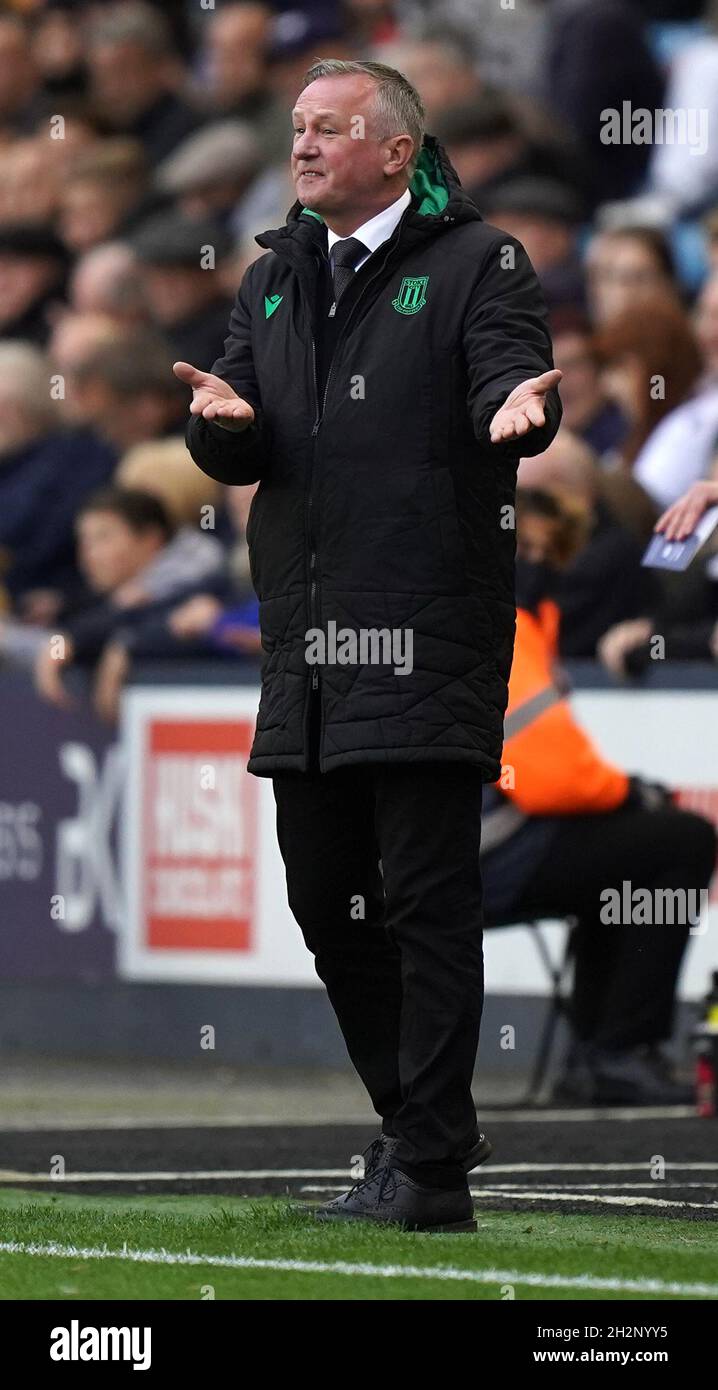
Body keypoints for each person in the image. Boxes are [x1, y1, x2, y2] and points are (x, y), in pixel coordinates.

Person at [181, 57, 562, 1233]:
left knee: (425, 902)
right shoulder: (275, 274)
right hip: (306, 643)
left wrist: (522, 411)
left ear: (395, 150)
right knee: (322, 896)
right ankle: (424, 1129)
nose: (300, 146)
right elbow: (244, 431)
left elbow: (513, 379)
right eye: (295, 127)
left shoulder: (477, 262)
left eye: (328, 128)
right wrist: (223, 432)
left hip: (425, 630)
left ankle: (430, 1171)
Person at [481, 489, 717, 1105]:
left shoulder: (497, 622)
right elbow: (550, 777)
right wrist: (630, 795)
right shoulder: (503, 626)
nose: (534, 563)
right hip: (473, 859)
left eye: (545, 551)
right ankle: (619, 1054)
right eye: (521, 549)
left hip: (445, 855)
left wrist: (623, 797)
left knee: (619, 854)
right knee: (680, 841)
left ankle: (595, 1058)